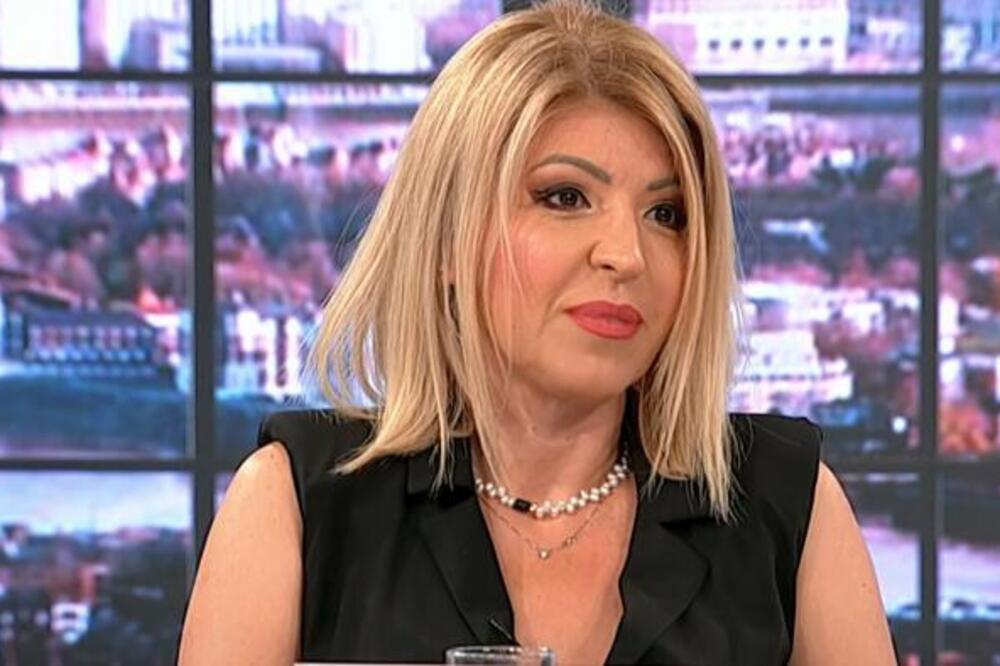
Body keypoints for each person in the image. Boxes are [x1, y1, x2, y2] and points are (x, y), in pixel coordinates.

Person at [178, 1, 897, 664]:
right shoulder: (299, 505)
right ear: (447, 239)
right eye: (565, 197)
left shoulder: (786, 505)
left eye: (667, 214)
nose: (626, 254)